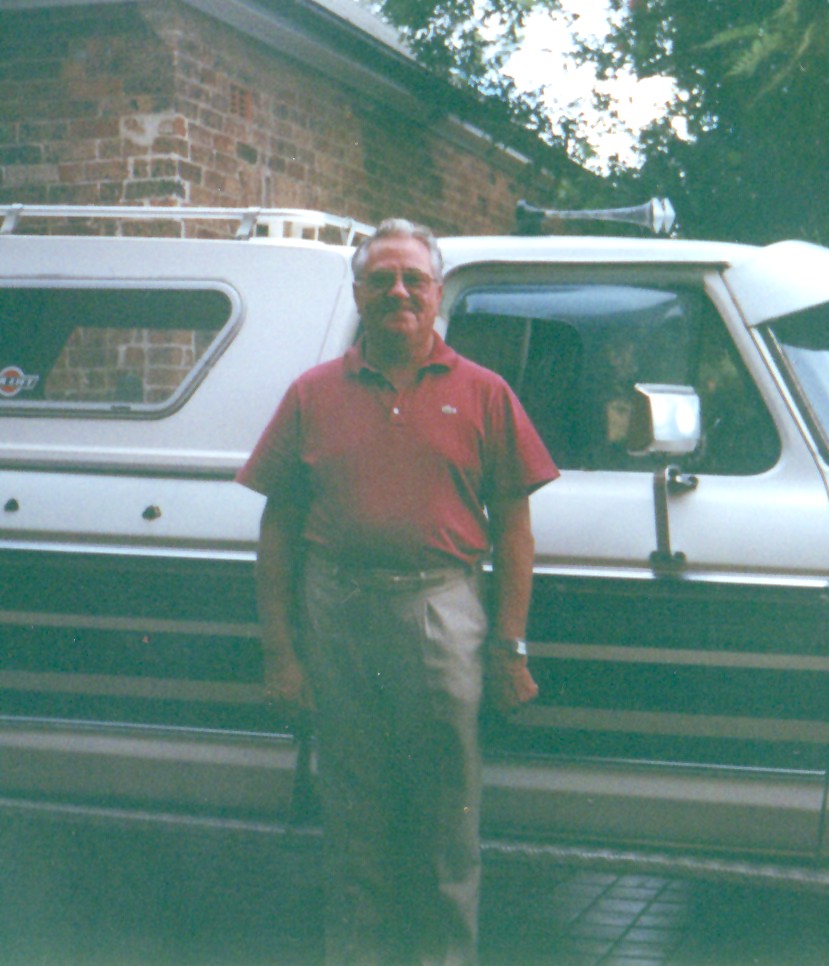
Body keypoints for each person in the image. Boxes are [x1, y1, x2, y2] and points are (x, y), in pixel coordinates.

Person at [236, 218, 558, 965]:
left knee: (448, 823)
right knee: (352, 822)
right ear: (357, 293)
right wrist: (282, 654)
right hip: (335, 613)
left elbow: (514, 529)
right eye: (380, 279)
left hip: (441, 611)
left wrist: (508, 647)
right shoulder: (313, 394)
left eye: (412, 278)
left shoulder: (485, 393)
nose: (398, 291)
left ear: (437, 292)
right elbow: (277, 527)